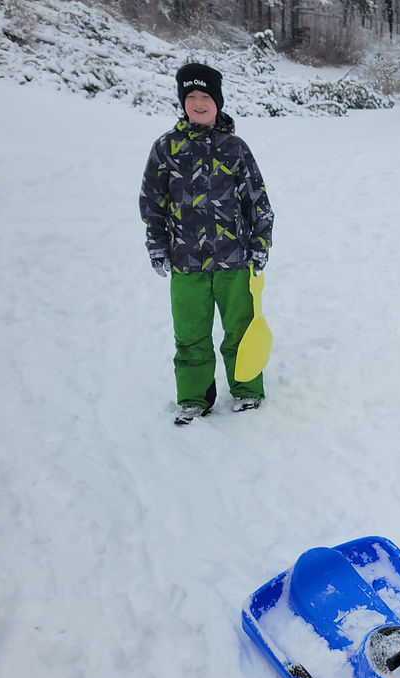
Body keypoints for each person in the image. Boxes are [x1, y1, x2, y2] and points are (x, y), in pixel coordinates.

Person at [139, 62, 274, 425]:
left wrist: (261, 242)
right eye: (191, 97)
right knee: (190, 335)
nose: (198, 103)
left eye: (206, 97)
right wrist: (157, 245)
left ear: (218, 101)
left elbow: (257, 200)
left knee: (241, 330)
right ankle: (194, 397)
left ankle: (247, 389)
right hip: (186, 262)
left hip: (234, 260)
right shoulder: (165, 148)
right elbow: (152, 202)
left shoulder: (235, 148)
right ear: (182, 101)